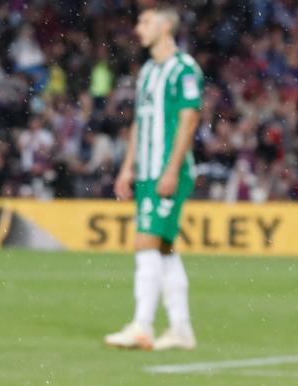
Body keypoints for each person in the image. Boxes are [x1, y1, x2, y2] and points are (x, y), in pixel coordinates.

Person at [106, 5, 202, 351]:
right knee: (163, 250)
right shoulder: (148, 71)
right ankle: (180, 329)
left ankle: (142, 326)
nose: (137, 28)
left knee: (145, 243)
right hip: (146, 169)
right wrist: (127, 166)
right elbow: (140, 122)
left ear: (165, 26)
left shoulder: (184, 68)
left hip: (166, 170)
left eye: (144, 22)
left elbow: (189, 119)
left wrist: (172, 169)